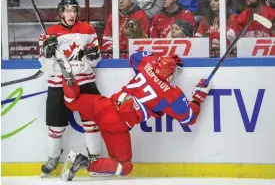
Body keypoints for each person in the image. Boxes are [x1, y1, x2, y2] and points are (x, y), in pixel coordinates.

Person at [57, 50, 212, 181]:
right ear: (171, 75)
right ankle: (83, 162)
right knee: (125, 167)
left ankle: (69, 81)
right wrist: (199, 96)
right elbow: (189, 118)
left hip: (103, 106)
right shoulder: (172, 94)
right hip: (117, 125)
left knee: (71, 101)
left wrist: (161, 57)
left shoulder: (148, 66)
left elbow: (135, 56)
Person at [39, 0, 102, 177]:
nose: (71, 14)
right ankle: (52, 158)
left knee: (92, 123)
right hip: (59, 82)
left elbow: (96, 61)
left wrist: (92, 55)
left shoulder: (87, 29)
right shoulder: (49, 32)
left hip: (85, 82)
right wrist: (47, 53)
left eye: (74, 10)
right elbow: (45, 66)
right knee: (55, 127)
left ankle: (95, 159)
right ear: (60, 13)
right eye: (67, 10)